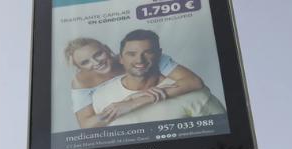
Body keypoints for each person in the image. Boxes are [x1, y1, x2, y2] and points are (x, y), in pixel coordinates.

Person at [90, 29, 225, 127]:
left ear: (159, 54)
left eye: (148, 52)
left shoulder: (193, 94)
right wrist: (129, 100)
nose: (139, 60)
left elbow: (222, 136)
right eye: (131, 54)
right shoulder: (101, 95)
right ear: (120, 58)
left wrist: (136, 102)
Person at [64, 37, 205, 129]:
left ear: (106, 49)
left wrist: (138, 100)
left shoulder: (137, 58)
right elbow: (87, 125)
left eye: (98, 54)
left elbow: (194, 82)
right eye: (85, 62)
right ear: (79, 67)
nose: (96, 62)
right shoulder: (80, 82)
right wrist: (124, 102)